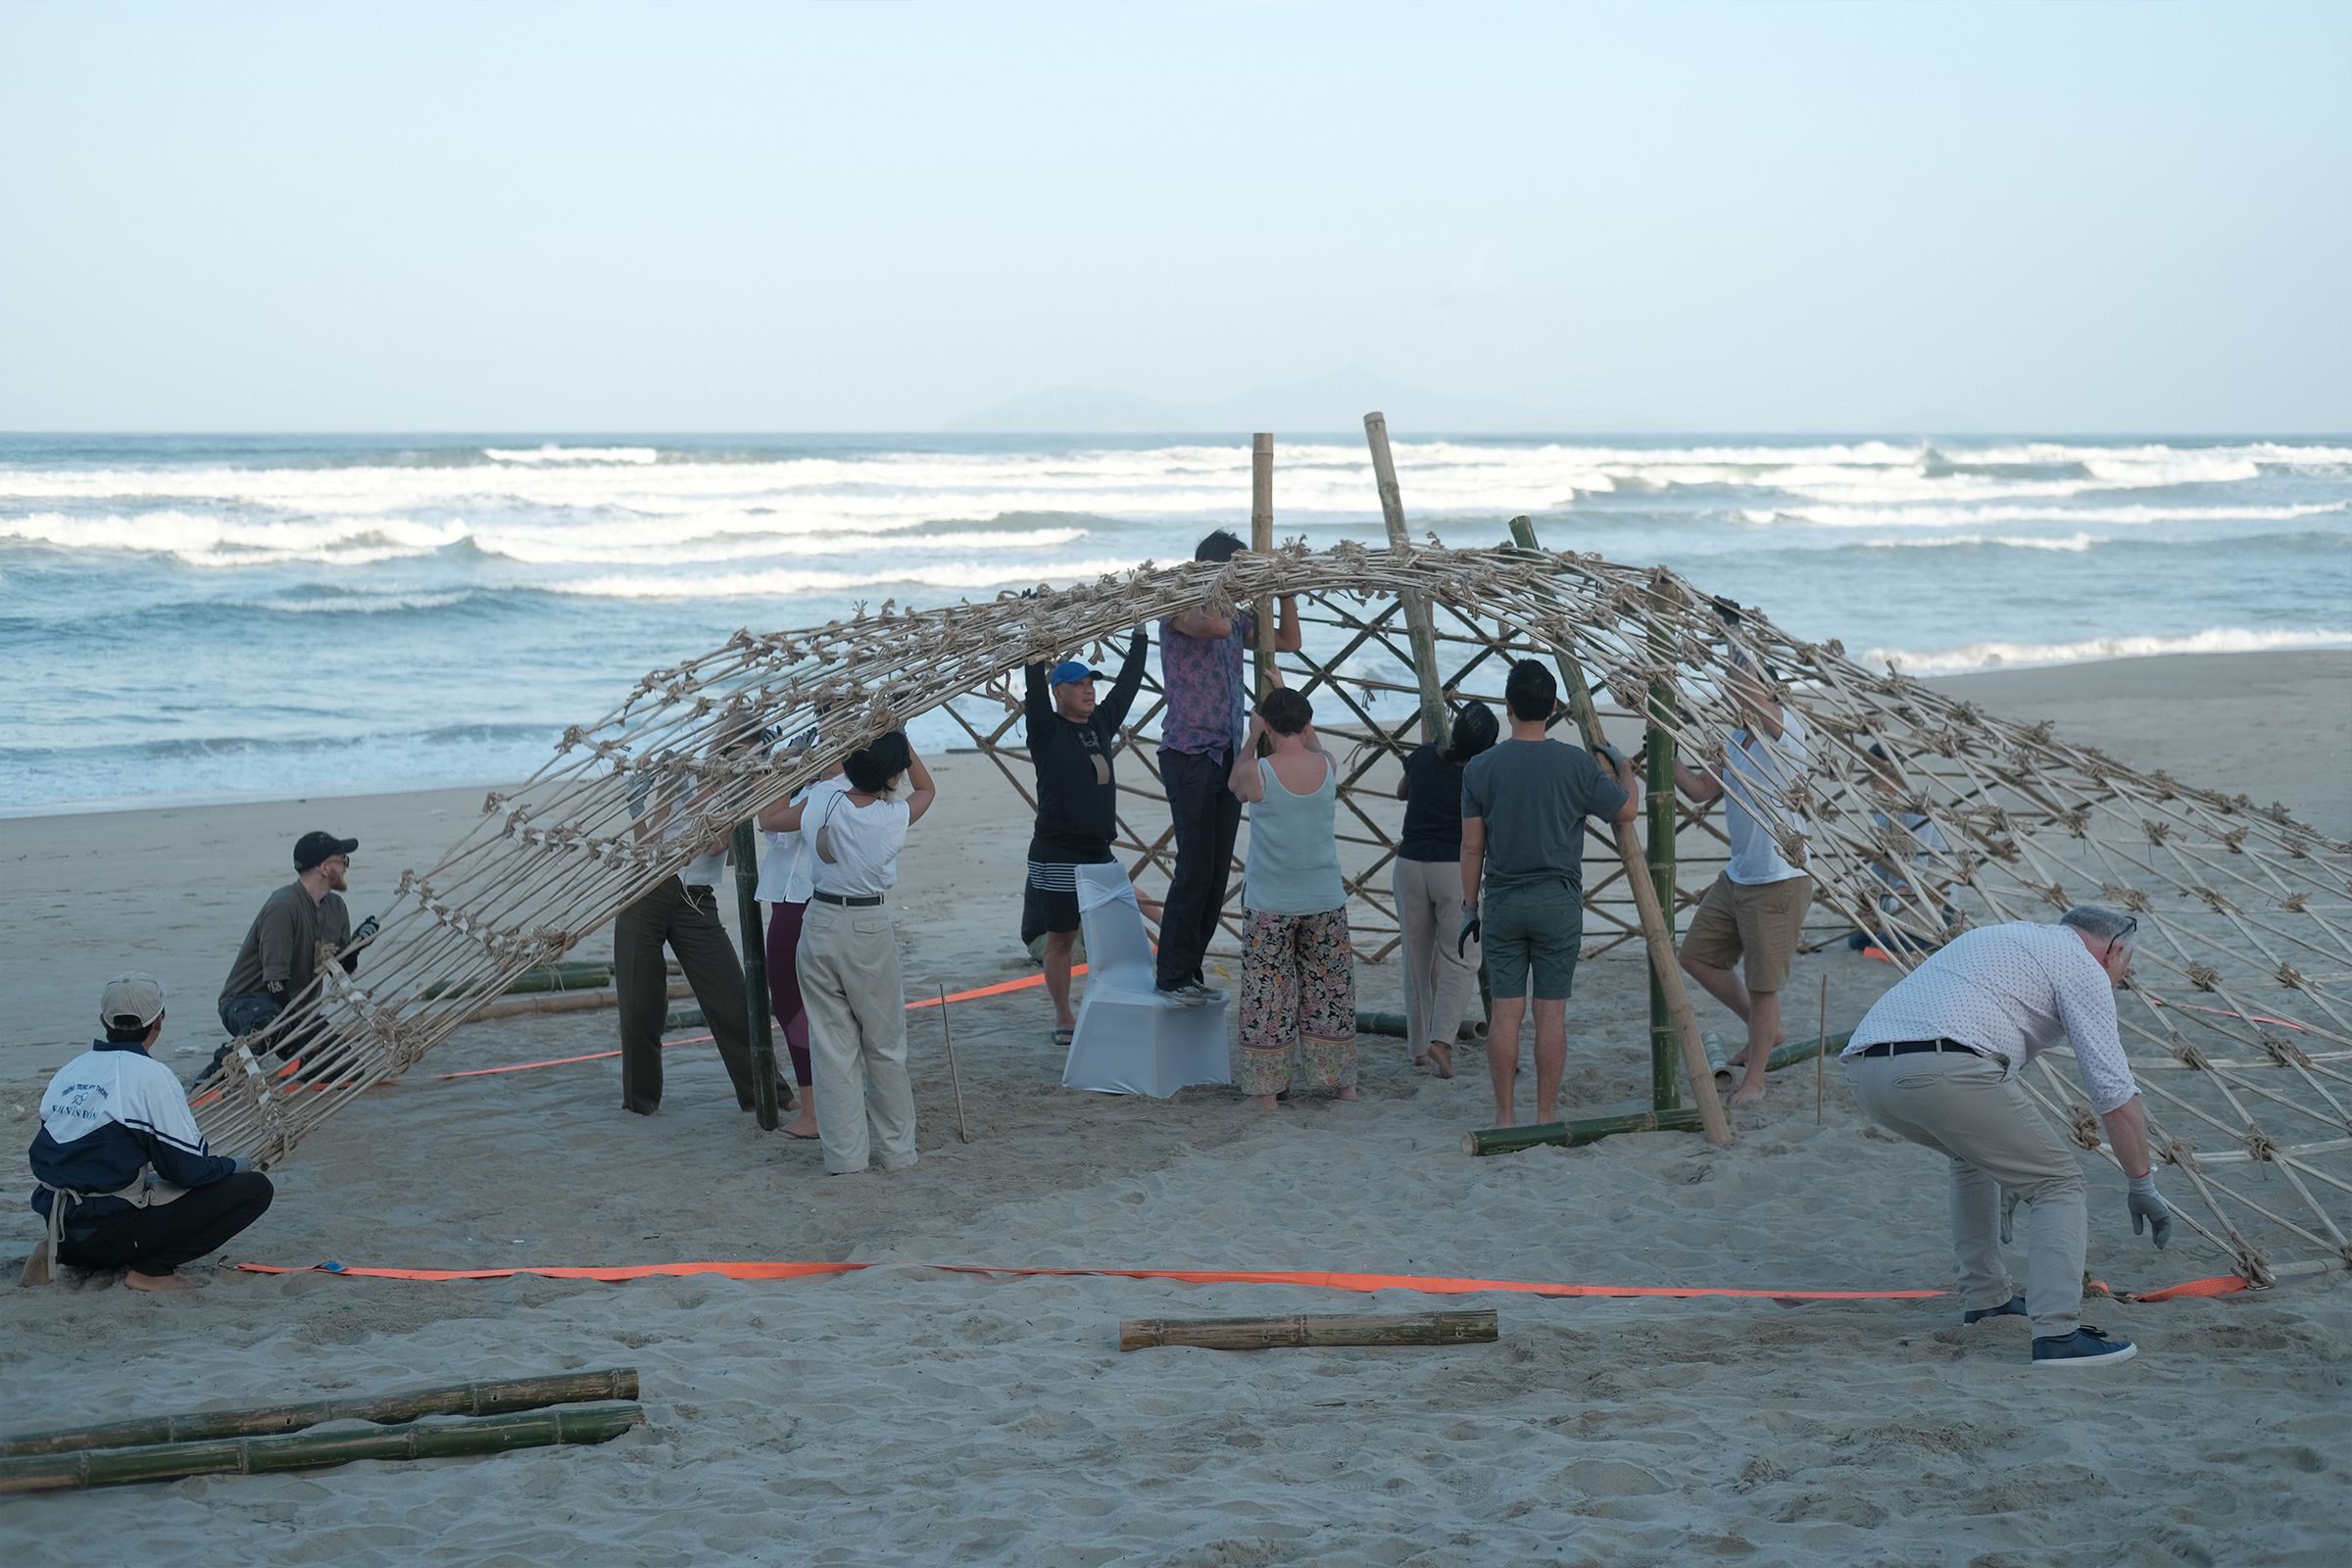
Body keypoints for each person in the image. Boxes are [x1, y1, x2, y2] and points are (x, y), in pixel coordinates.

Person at [1840, 907, 2172, 1367]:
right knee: (2058, 1184)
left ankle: (1986, 1300)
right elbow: (2113, 1092)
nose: (2121, 975)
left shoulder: (2003, 937)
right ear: (2115, 951)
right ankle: (2058, 1334)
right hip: (1944, 1067)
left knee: (1970, 1158)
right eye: (2125, 965)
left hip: (1865, 1072)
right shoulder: (2083, 966)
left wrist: (2007, 1167)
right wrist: (2141, 1181)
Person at [1458, 660, 1638, 1129]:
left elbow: (1472, 845)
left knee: (1505, 1013)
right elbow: (1626, 812)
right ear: (1554, 709)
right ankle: (1545, 1113)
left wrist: (1467, 907)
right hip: (1558, 901)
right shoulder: (1576, 764)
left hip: (1502, 901)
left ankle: (1504, 1116)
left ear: (1508, 706)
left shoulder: (1480, 767)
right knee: (1550, 1015)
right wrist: (1625, 766)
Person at [24, 973, 273, 1291]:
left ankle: (55, 1249)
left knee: (118, 1172)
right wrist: (232, 1165)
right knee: (255, 1189)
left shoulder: (69, 1071)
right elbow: (188, 1171)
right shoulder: (152, 1076)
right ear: (159, 1021)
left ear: (104, 1020)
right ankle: (152, 1270)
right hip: (108, 1237)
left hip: (59, 1225)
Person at [772, 731, 938, 1175]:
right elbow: (928, 790)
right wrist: (903, 737)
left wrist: (850, 748)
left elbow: (827, 776)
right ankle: (898, 1152)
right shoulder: (890, 817)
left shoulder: (823, 797)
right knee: (883, 1044)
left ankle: (845, 1158)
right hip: (867, 925)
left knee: (832, 1046)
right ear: (893, 772)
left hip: (820, 920)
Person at [1153, 528, 1301, 1004]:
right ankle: (1172, 975)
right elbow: (1213, 626)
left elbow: (1289, 641)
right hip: (1189, 753)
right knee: (1194, 867)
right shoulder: (1180, 608)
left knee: (1216, 873)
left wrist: (1283, 593)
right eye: (1234, 574)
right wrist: (1224, 586)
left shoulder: (1236, 616)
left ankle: (1190, 971)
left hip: (1223, 754)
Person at [1673, 628, 1814, 1106]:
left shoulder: (1787, 731)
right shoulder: (1737, 738)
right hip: (1738, 875)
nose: (1734, 694)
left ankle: (1756, 1078)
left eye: (1743, 684)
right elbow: (1698, 789)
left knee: (1764, 983)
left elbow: (1753, 696)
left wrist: (1733, 638)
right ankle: (1763, 1033)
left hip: (1778, 878)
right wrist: (1661, 746)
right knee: (1695, 957)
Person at [613, 750, 770, 1117]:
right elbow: (649, 850)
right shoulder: (681, 776)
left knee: (731, 997)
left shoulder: (735, 786)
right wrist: (648, 807)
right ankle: (640, 1103)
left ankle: (765, 1094)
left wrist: (694, 796)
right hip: (646, 889)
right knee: (640, 1005)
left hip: (697, 899)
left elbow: (715, 844)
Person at [1227, 677, 1354, 1110]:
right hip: (1324, 898)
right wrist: (1292, 701)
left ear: (1268, 725)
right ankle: (1342, 1086)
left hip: (1270, 902)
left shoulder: (1256, 772)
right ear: (1306, 723)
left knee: (1267, 994)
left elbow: (1232, 786)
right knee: (1331, 990)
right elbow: (1314, 747)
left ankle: (1265, 1095)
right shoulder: (1328, 766)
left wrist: (1252, 736)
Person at [1026, 631, 1149, 1045]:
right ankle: (1063, 1015)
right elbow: (1033, 688)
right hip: (1057, 853)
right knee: (1063, 938)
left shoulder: (1099, 723)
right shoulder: (1045, 730)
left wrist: (1140, 635)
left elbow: (1129, 684)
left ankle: (1119, 997)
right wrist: (1034, 638)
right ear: (1058, 692)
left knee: (1120, 923)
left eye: (1091, 683)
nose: (1088, 691)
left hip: (1099, 850)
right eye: (1078, 685)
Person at [205, 830, 378, 1081]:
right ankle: (213, 1077)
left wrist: (358, 945)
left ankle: (295, 1071)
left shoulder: (336, 907)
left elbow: (340, 969)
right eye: (343, 861)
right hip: (247, 1002)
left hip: (295, 1010)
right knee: (269, 1021)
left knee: (348, 1073)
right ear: (324, 867)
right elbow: (274, 983)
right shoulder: (284, 906)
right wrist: (298, 1030)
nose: (346, 867)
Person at [1393, 701, 1501, 1077]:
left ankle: (1419, 1049)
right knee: (1462, 958)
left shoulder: (1422, 759)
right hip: (1454, 869)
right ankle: (1442, 1042)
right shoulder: (1481, 775)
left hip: (1409, 865)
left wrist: (1424, 760)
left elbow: (1401, 792)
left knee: (1416, 960)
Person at [756, 741, 849, 1141]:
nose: (818, 747)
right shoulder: (817, 786)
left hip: (802, 902)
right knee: (808, 1005)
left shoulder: (835, 790)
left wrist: (782, 768)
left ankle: (813, 1113)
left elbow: (769, 819)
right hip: (790, 899)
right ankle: (824, 1106)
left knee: (793, 1004)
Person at [1847, 741, 1955, 953]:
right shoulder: (1879, 808)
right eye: (1869, 768)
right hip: (1898, 889)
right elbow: (1879, 860)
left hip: (1928, 889)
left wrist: (1900, 899)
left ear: (1896, 771)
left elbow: (1919, 862)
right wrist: (1869, 901)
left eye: (1880, 769)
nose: (1873, 775)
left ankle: (1941, 933)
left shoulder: (1914, 808)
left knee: (1884, 950)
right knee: (1857, 943)